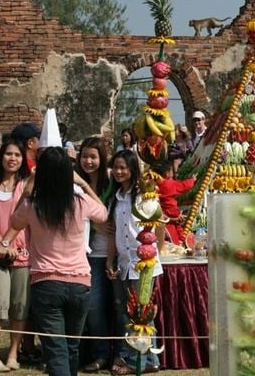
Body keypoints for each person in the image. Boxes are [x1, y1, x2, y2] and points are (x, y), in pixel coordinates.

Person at [0, 147, 108, 376]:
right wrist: (84, 185)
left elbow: (14, 222)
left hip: (46, 283)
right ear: (69, 173)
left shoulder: (33, 204)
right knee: (71, 347)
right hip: (80, 283)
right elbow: (103, 214)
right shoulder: (80, 201)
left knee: (56, 350)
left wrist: (28, 189)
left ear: (41, 174)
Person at [106, 150, 164, 374]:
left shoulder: (144, 196)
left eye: (124, 168)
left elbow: (158, 226)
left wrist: (154, 252)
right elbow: (113, 233)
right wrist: (110, 261)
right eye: (116, 168)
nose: (119, 172)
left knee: (143, 313)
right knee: (126, 313)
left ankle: (146, 361)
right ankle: (131, 355)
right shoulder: (115, 198)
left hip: (144, 264)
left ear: (132, 170)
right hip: (123, 264)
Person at [0, 139, 31, 372]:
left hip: (22, 253)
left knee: (19, 306)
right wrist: (2, 242)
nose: (13, 158)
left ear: (22, 159)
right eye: (8, 154)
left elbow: (25, 216)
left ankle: (12, 354)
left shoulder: (27, 185)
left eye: (17, 155)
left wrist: (10, 242)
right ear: (1, 157)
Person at [76, 137, 114, 372]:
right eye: (84, 156)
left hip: (104, 252)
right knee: (86, 306)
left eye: (93, 157)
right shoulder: (73, 182)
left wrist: (85, 186)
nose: (88, 161)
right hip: (80, 251)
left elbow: (106, 216)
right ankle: (88, 351)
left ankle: (102, 353)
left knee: (98, 305)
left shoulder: (111, 179)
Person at [153, 161, 195, 244]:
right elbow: (183, 186)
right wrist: (192, 180)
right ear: (167, 173)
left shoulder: (156, 184)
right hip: (171, 212)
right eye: (172, 171)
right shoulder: (168, 184)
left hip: (163, 212)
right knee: (174, 236)